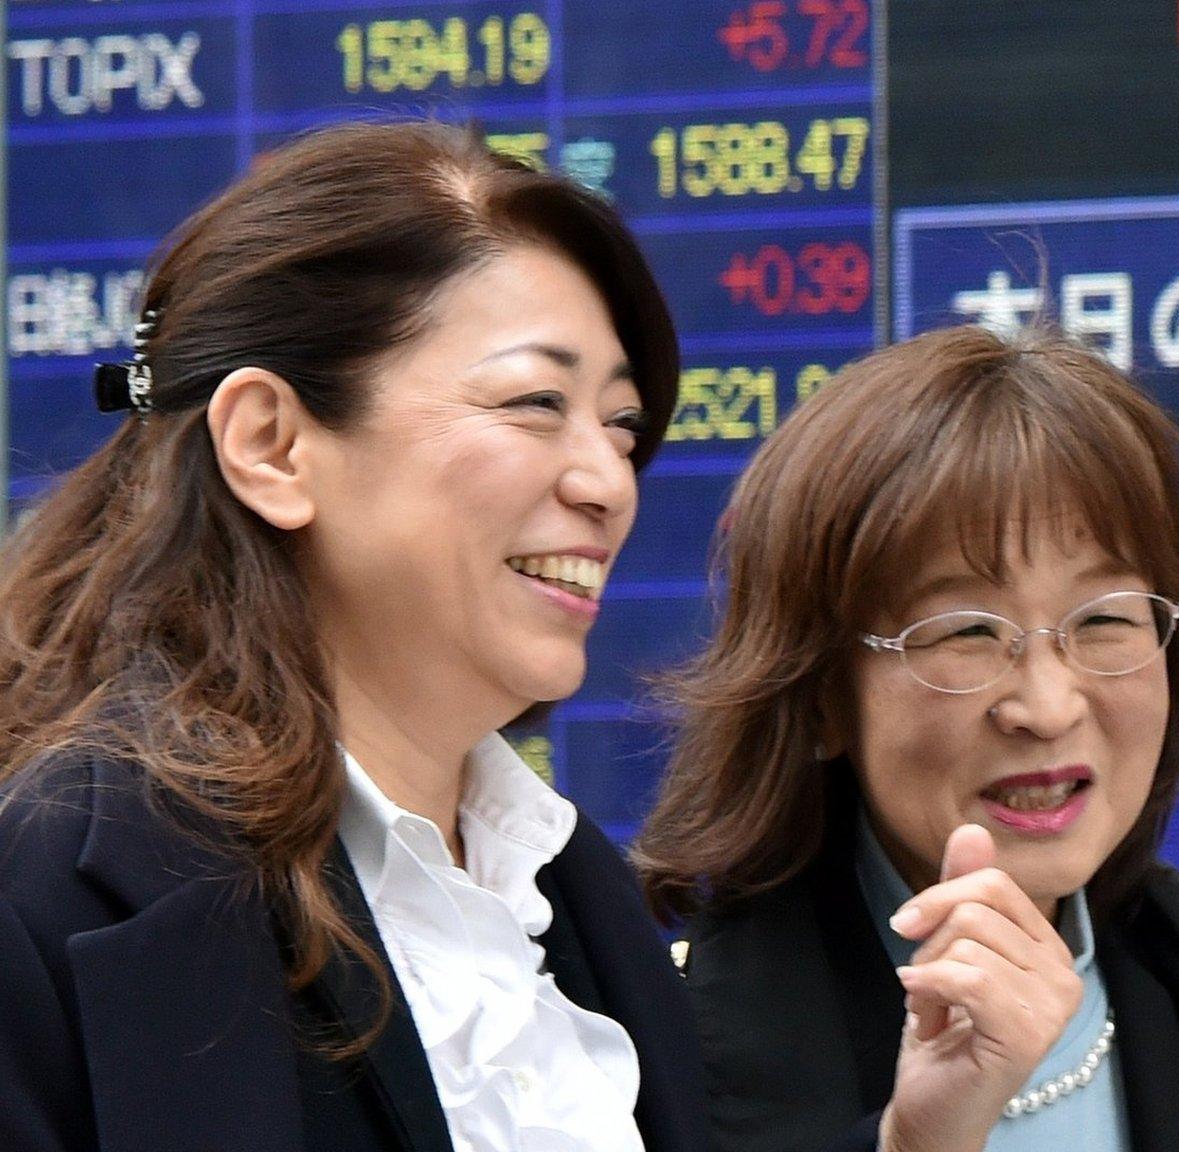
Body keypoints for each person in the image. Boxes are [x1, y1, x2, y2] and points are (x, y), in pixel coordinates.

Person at [0, 119, 706, 1151]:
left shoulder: (576, 891)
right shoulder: (55, 889)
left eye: (620, 425)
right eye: (534, 402)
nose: (607, 481)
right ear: (271, 445)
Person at [637, 324, 1179, 1152]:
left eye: (1105, 619)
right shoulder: (667, 1031)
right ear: (822, 695)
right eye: (967, 631)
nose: (1046, 707)